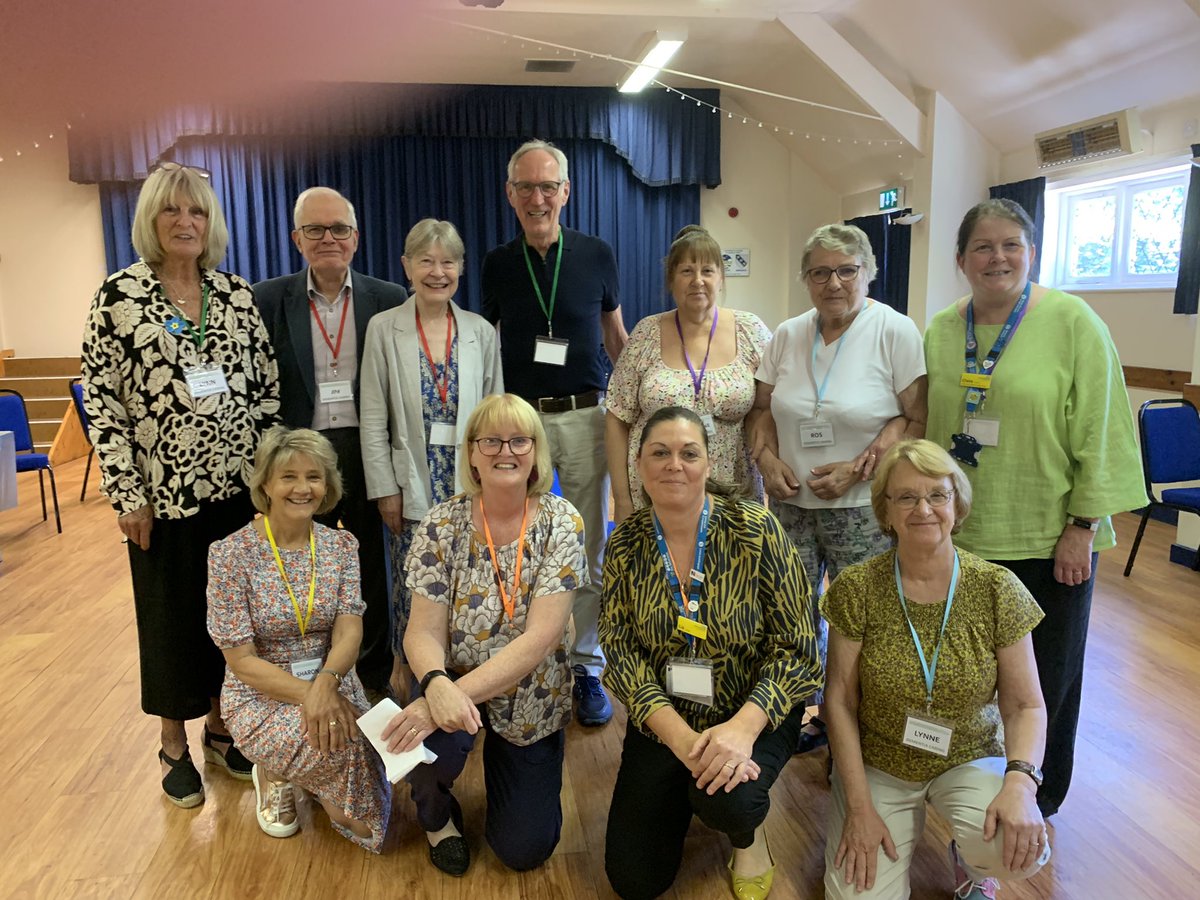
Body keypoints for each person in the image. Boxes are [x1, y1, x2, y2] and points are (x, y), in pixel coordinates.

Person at [924, 199, 1146, 818]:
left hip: (1047, 537)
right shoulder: (943, 327)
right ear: (961, 259)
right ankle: (964, 787)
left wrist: (1083, 526)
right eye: (983, 247)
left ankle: (1036, 800)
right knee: (964, 676)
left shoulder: (1074, 321)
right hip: (960, 536)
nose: (998, 258)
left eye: (1012, 245)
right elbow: (930, 423)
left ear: (1032, 252)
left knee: (1045, 680)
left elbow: (1102, 429)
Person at [80, 161, 280, 808]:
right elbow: (104, 404)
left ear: (211, 223)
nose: (185, 222)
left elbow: (266, 392)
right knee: (169, 620)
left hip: (235, 491)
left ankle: (221, 730)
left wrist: (269, 480)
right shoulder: (120, 296)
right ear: (152, 220)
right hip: (162, 499)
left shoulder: (236, 295)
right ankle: (173, 742)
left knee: (227, 619)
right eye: (173, 211)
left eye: (196, 212)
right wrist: (125, 492)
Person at [601, 406, 821, 900]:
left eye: (688, 453)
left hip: (753, 710)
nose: (673, 464)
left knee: (731, 802)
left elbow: (799, 648)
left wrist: (742, 731)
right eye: (660, 452)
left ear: (708, 464)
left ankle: (748, 836)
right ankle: (689, 785)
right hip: (667, 719)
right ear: (639, 465)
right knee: (635, 881)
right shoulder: (626, 546)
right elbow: (618, 650)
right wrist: (680, 740)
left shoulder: (754, 528)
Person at [823, 439, 1051, 899]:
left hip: (969, 752)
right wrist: (859, 807)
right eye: (906, 497)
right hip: (882, 761)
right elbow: (839, 702)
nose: (923, 508)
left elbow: (1027, 705)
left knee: (1016, 848)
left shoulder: (996, 587)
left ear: (957, 503)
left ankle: (971, 862)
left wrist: (1021, 783)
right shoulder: (857, 588)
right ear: (885, 511)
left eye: (937, 495)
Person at [381, 393, 587, 875]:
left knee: (523, 851)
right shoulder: (439, 524)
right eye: (490, 440)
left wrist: (449, 700)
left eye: (519, 439)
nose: (505, 451)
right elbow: (422, 631)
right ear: (471, 453)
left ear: (536, 451)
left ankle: (510, 772)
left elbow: (540, 638)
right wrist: (434, 687)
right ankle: (437, 819)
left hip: (533, 689)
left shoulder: (562, 521)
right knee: (423, 740)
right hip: (449, 676)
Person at [748, 223, 927, 756]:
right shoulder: (786, 334)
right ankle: (790, 719)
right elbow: (760, 409)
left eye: (847, 270)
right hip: (789, 506)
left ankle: (854, 727)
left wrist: (862, 466)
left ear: (868, 273)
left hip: (861, 509)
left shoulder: (894, 331)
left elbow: (914, 419)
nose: (834, 282)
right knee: (790, 615)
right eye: (820, 272)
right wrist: (766, 460)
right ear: (805, 279)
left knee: (859, 620)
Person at [481, 139, 629, 727]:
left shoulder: (596, 253)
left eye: (548, 187)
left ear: (566, 193)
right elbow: (483, 349)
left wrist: (637, 416)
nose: (537, 198)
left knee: (589, 545)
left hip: (587, 417)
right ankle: (527, 662)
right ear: (510, 195)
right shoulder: (496, 264)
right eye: (526, 188)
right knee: (521, 544)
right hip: (521, 426)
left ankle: (588, 665)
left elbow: (617, 340)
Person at [254, 187, 407, 700]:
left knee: (367, 567)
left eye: (339, 228)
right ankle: (311, 676)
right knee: (302, 565)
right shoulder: (268, 299)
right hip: (300, 456)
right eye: (315, 230)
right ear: (297, 238)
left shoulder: (387, 299)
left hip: (365, 452)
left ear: (356, 238)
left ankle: (374, 678)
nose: (328, 239)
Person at [206, 426, 390, 851]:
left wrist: (326, 684)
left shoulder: (341, 546)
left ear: (327, 486)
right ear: (265, 484)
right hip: (261, 692)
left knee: (365, 816)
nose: (302, 488)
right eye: (288, 477)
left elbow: (350, 628)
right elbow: (242, 660)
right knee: (341, 750)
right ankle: (274, 769)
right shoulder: (230, 555)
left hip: (333, 679)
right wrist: (310, 695)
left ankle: (305, 772)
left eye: (314, 476)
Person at [359, 218, 504, 700]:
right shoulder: (384, 328)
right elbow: (373, 415)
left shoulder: (481, 332)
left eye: (447, 262)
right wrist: (384, 489)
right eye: (426, 261)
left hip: (470, 483)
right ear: (406, 266)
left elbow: (495, 415)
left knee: (469, 581)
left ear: (461, 268)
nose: (437, 272)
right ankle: (416, 678)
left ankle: (466, 681)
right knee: (414, 586)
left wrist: (497, 484)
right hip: (411, 485)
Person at [606, 226, 771, 524]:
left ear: (720, 277)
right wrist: (621, 500)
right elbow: (617, 417)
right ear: (671, 279)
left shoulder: (751, 331)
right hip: (656, 492)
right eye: (686, 271)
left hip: (732, 494)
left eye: (707, 270)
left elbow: (770, 406)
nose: (697, 281)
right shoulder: (645, 334)